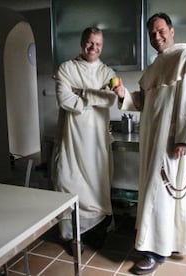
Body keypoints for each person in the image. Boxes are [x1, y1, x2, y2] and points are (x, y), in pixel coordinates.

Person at [113, 13, 186, 274]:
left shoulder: (185, 59)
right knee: (158, 196)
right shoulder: (156, 65)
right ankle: (162, 246)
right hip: (152, 142)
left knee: (160, 196)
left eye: (160, 31)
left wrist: (184, 140)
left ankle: (153, 253)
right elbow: (145, 102)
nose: (156, 37)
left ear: (171, 31)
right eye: (152, 34)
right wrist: (123, 94)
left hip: (170, 143)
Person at [51, 26, 122, 254]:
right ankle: (72, 236)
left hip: (96, 141)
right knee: (67, 180)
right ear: (82, 43)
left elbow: (110, 99)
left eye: (98, 44)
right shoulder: (66, 68)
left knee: (97, 186)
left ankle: (96, 233)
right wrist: (94, 94)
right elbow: (64, 100)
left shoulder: (106, 71)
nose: (94, 47)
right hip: (71, 138)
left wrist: (81, 92)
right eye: (90, 42)